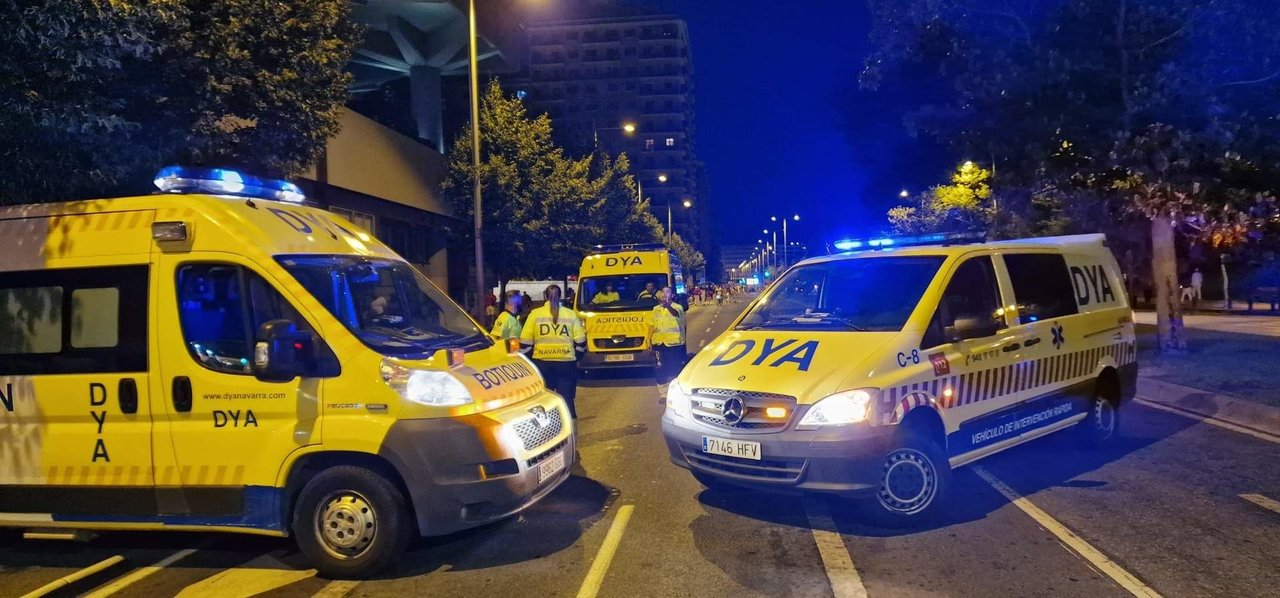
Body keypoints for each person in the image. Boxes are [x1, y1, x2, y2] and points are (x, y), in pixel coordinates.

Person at [520, 285, 586, 418]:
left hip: (543, 364)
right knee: (566, 399)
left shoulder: (535, 314)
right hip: (566, 363)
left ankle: (550, 428)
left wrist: (530, 360)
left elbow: (525, 343)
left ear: (545, 296)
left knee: (546, 400)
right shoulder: (570, 314)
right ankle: (570, 431)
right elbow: (581, 342)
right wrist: (576, 357)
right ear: (560, 296)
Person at [649, 286, 687, 402]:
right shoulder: (655, 309)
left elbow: (675, 314)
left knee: (674, 368)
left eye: (668, 291)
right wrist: (648, 340)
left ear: (672, 295)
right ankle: (663, 394)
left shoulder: (678, 307)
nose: (665, 294)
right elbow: (651, 325)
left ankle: (674, 393)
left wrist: (667, 306)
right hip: (659, 343)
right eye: (663, 292)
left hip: (674, 343)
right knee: (660, 367)